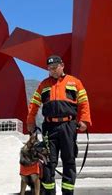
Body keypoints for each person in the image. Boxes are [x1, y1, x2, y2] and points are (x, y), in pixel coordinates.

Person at [26, 55, 92, 195]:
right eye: (49, 69)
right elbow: (34, 104)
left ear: (62, 65)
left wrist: (85, 120)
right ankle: (50, 192)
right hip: (49, 128)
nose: (52, 71)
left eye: (55, 68)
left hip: (68, 126)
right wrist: (30, 121)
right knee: (48, 162)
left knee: (69, 160)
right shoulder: (43, 85)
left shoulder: (75, 82)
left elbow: (84, 103)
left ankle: (67, 193)